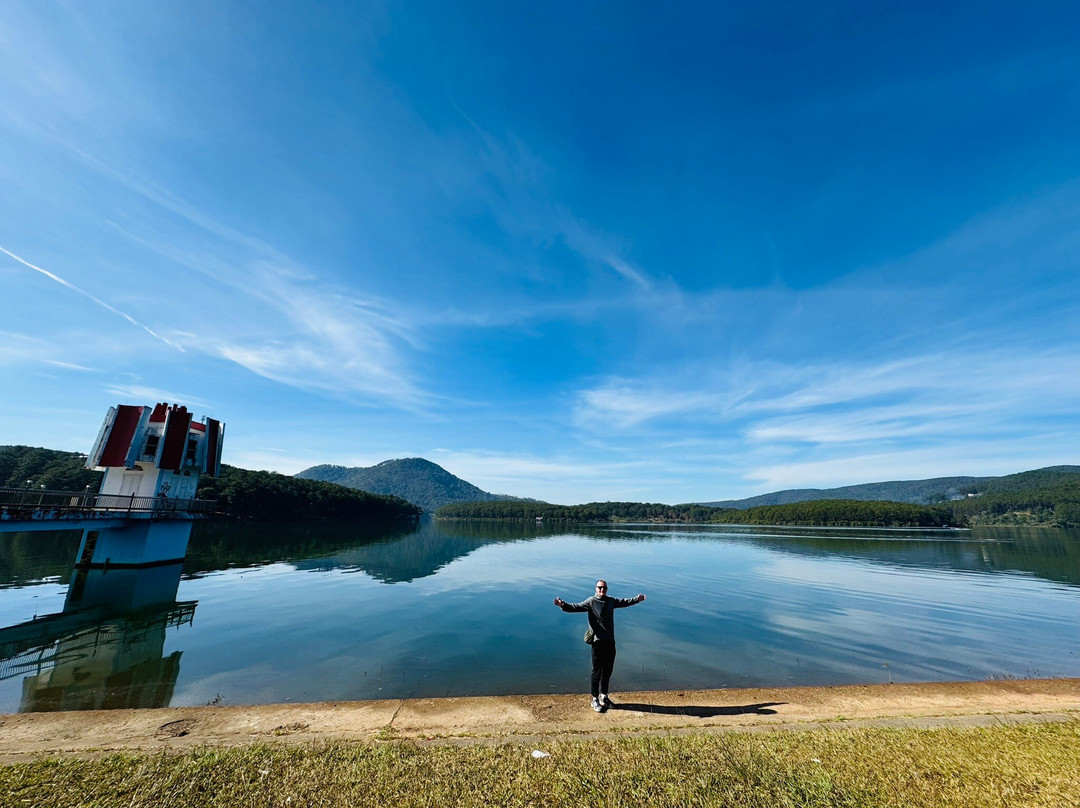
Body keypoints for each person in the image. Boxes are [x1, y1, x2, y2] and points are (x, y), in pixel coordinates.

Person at [554, 580, 646, 712]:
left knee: (607, 671)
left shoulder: (611, 601)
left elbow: (625, 602)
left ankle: (604, 696)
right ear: (595, 589)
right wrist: (562, 604)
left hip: (610, 641)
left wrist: (637, 599)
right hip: (597, 642)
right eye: (599, 588)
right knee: (597, 671)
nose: (602, 590)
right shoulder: (591, 601)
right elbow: (575, 607)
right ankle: (594, 699)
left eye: (604, 588)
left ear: (606, 589)